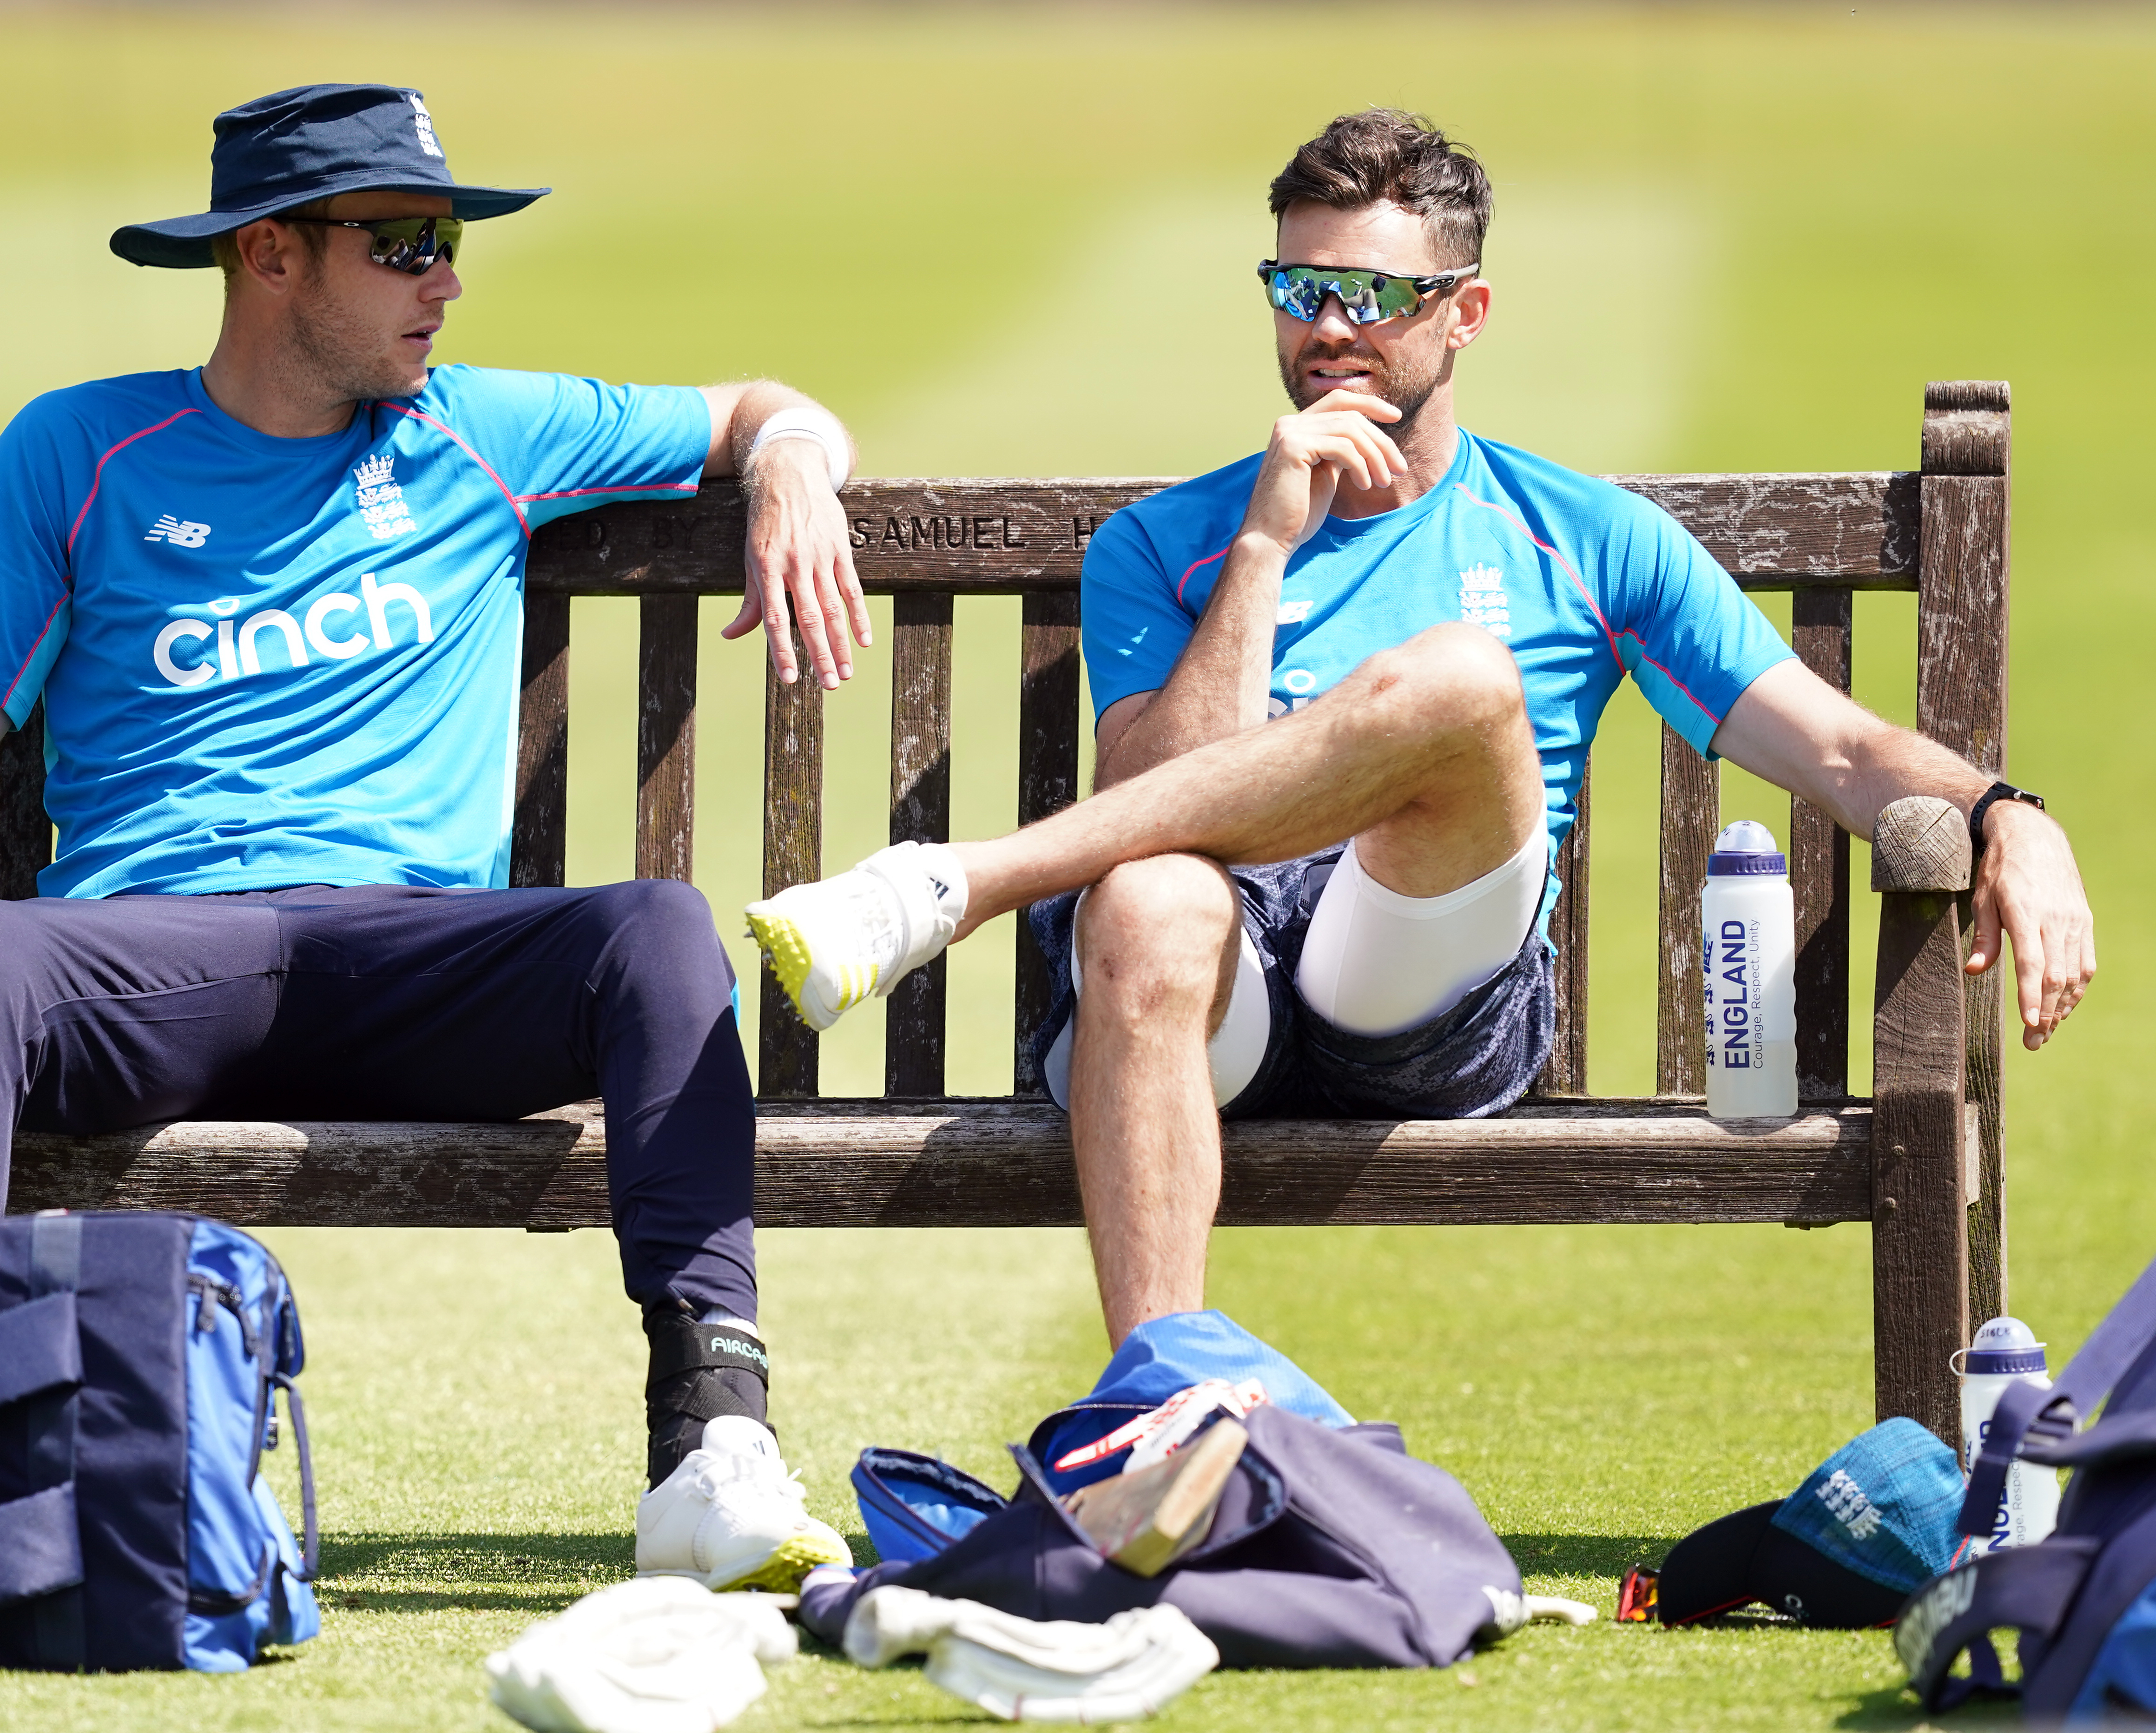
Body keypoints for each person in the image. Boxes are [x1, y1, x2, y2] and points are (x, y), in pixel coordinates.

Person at [0, 84, 870, 1593]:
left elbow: (761, 409)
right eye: (405, 243)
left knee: (659, 926)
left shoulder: (485, 430)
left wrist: (796, 458)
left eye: (450, 242)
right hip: (156, 964)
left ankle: (710, 1448)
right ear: (271, 255)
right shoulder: (80, 449)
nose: (447, 278)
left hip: (413, 968)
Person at [745, 108, 2096, 1350]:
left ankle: (962, 883)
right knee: (1152, 899)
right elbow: (1155, 790)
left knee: (1462, 680)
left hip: (1429, 986)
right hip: (1208, 986)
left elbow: (1844, 752)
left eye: (1375, 295)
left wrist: (2004, 813)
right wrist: (1267, 549)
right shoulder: (1166, 541)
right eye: (1299, 290)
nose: (1329, 327)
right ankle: (1156, 1413)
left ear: (1468, 313)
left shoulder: (1584, 537)